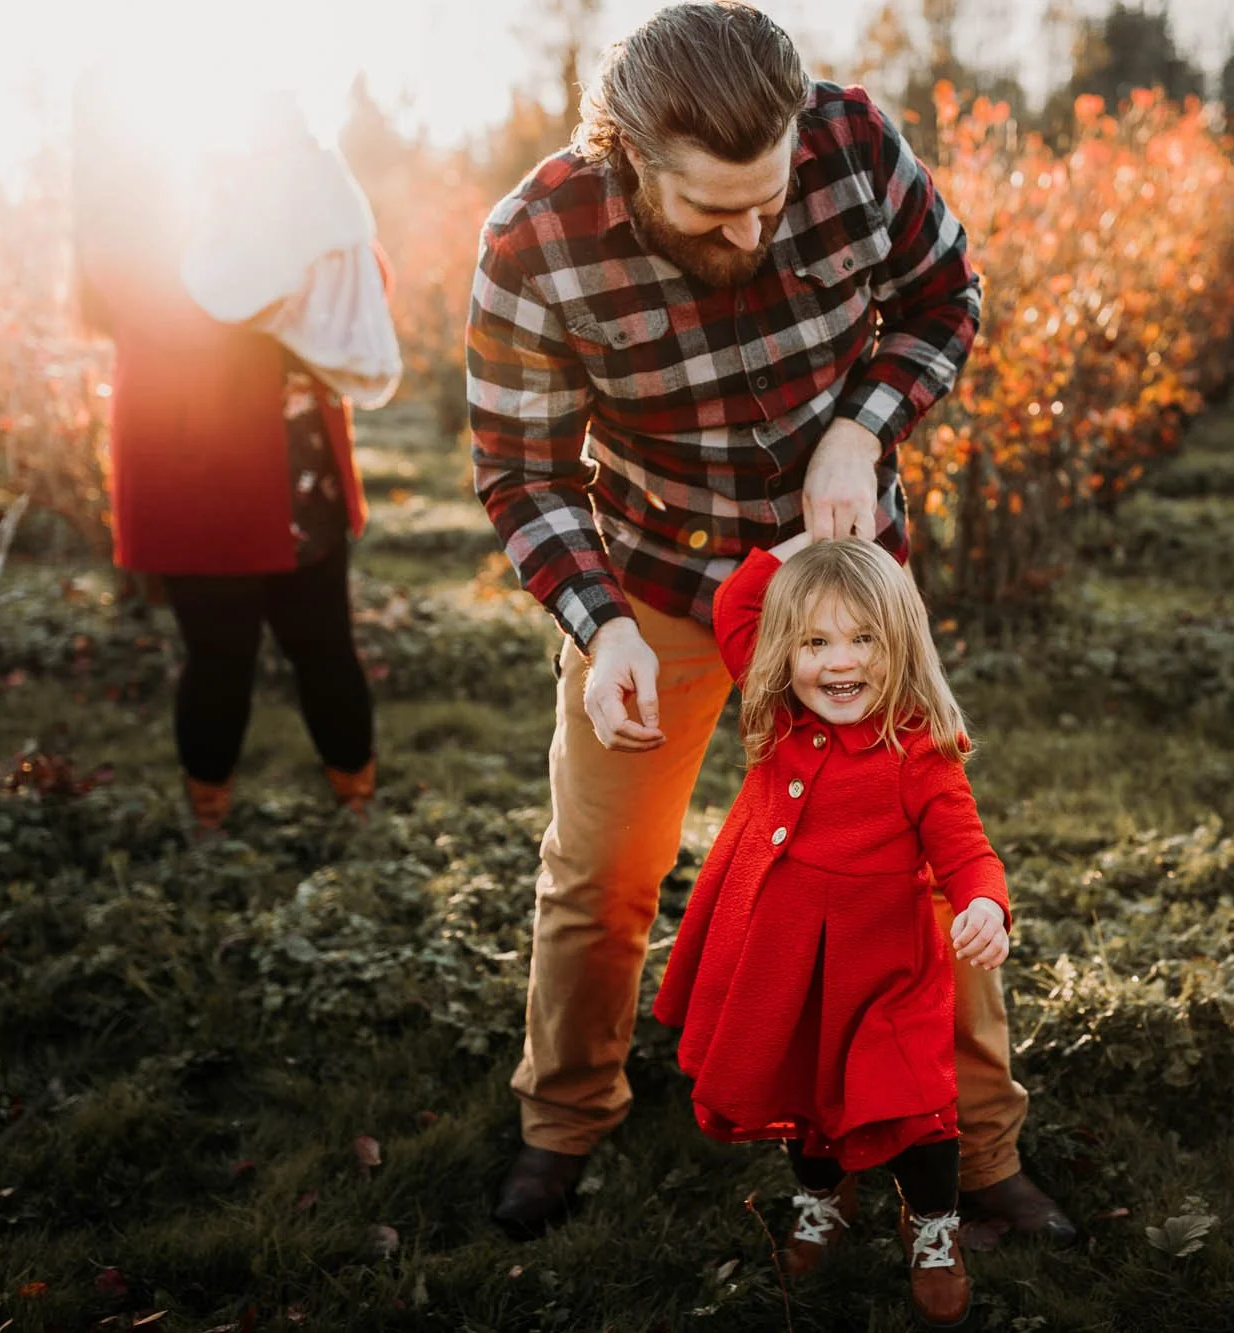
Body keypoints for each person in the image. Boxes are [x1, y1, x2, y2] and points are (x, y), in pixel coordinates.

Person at [466, 0, 1073, 1244]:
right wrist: (602, 626)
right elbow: (520, 469)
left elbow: (944, 296)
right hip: (656, 587)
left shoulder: (851, 144)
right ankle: (563, 1119)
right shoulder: (534, 240)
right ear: (630, 158)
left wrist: (861, 425)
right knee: (601, 872)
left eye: (769, 196)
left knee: (921, 862)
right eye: (711, 210)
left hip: (849, 592)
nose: (751, 226)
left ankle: (978, 1142)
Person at [652, 533, 1010, 1326]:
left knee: (914, 1108)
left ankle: (935, 1226)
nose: (838, 663)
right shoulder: (778, 704)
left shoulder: (917, 750)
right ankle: (823, 1199)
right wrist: (818, 537)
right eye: (815, 641)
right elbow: (735, 602)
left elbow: (967, 850)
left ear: (902, 644)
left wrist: (985, 903)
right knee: (805, 1093)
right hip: (786, 965)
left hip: (882, 971)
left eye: (863, 639)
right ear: (786, 649)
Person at [72, 65, 379, 834]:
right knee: (222, 654)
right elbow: (163, 305)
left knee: (319, 645)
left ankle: (356, 802)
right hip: (201, 464)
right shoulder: (136, 212)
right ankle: (213, 816)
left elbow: (362, 280)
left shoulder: (291, 186)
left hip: (287, 462)